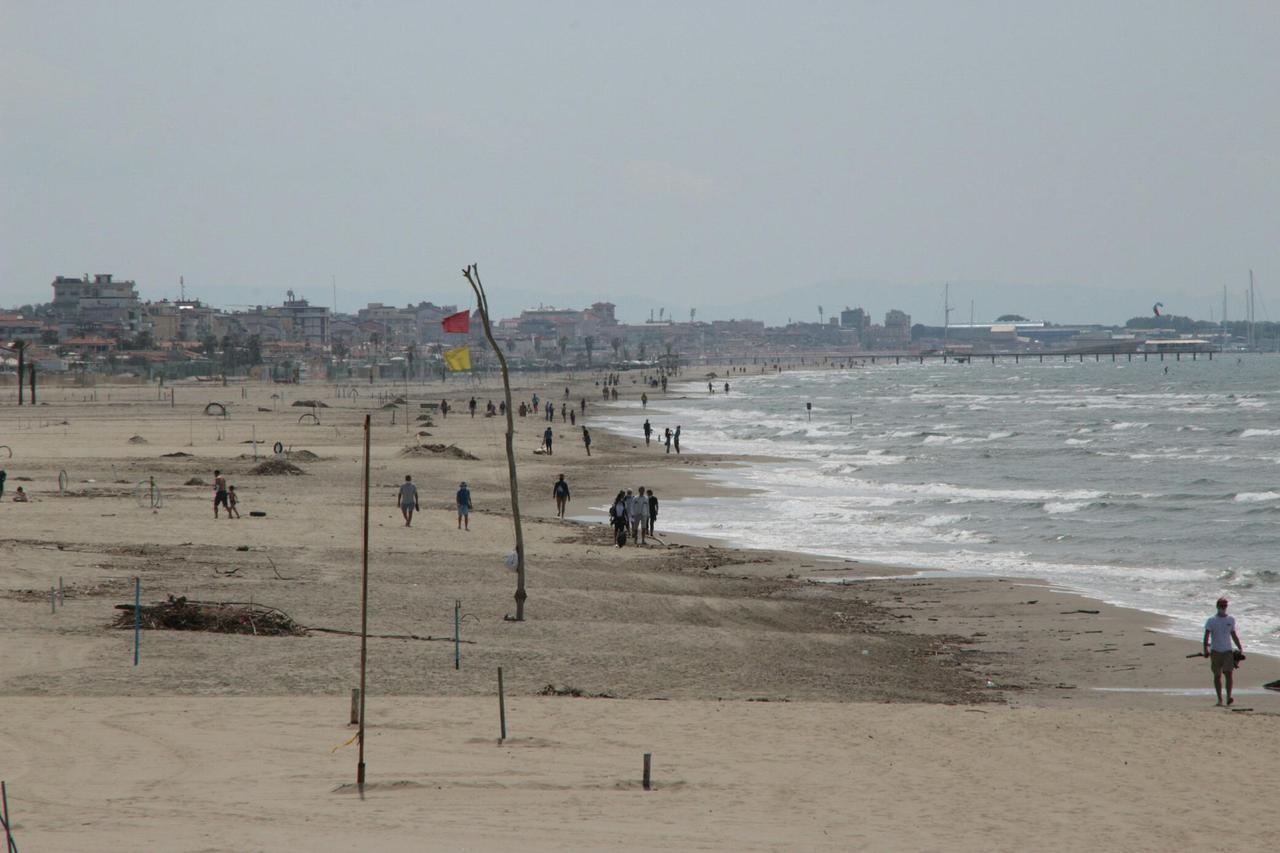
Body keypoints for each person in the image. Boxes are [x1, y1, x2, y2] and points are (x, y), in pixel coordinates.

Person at [1203, 597, 1244, 707]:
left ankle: (1228, 697)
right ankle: (1219, 699)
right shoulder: (1211, 620)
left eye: (1225, 605)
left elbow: (1233, 634)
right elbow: (1206, 636)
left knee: (1229, 674)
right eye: (1221, 605)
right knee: (1217, 675)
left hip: (1228, 651)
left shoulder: (1231, 619)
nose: (1223, 607)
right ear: (1217, 606)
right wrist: (1205, 649)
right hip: (1215, 651)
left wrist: (1240, 647)